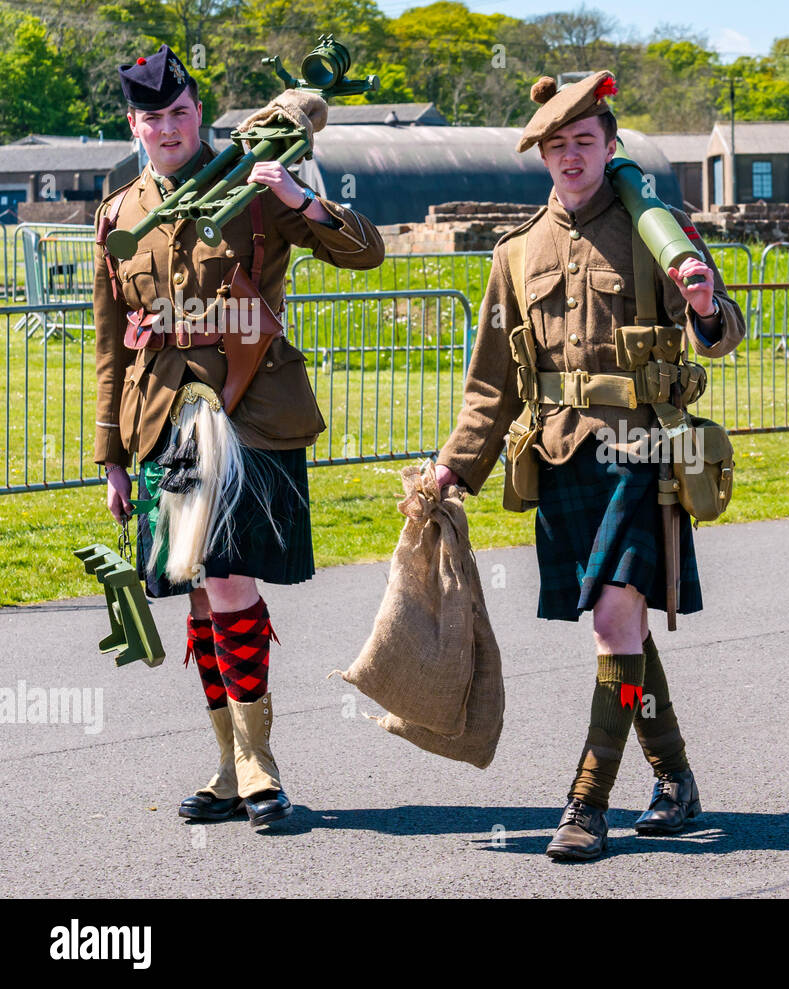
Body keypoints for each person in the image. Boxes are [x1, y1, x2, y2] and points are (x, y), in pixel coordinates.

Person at [431, 70, 744, 861]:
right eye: (556, 146)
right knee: (622, 626)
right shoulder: (515, 253)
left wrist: (705, 305)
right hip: (561, 457)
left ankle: (587, 802)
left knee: (613, 620)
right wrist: (453, 469)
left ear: (610, 146)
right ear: (541, 155)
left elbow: (722, 325)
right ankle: (675, 776)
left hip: (641, 452)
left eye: (584, 142)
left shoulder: (655, 228)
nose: (570, 158)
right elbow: (490, 384)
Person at [94, 45, 384, 826]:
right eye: (151, 117)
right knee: (197, 590)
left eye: (179, 112)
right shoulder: (118, 214)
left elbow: (366, 252)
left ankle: (258, 764)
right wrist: (111, 456)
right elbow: (108, 344)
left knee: (225, 577)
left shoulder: (255, 186)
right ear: (135, 123)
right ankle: (227, 765)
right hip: (162, 418)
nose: (167, 127)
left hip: (249, 408)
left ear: (200, 113)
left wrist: (302, 196)